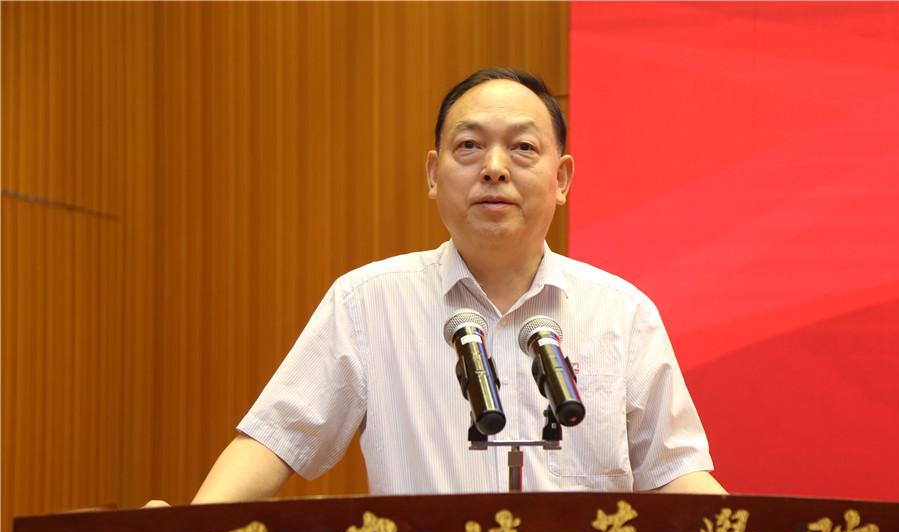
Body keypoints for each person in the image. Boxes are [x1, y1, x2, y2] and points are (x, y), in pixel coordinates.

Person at [148, 67, 725, 507]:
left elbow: (676, 474)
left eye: (523, 147)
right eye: (468, 146)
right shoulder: (368, 302)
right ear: (433, 174)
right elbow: (276, 441)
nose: (494, 167)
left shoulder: (622, 313)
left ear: (562, 178)